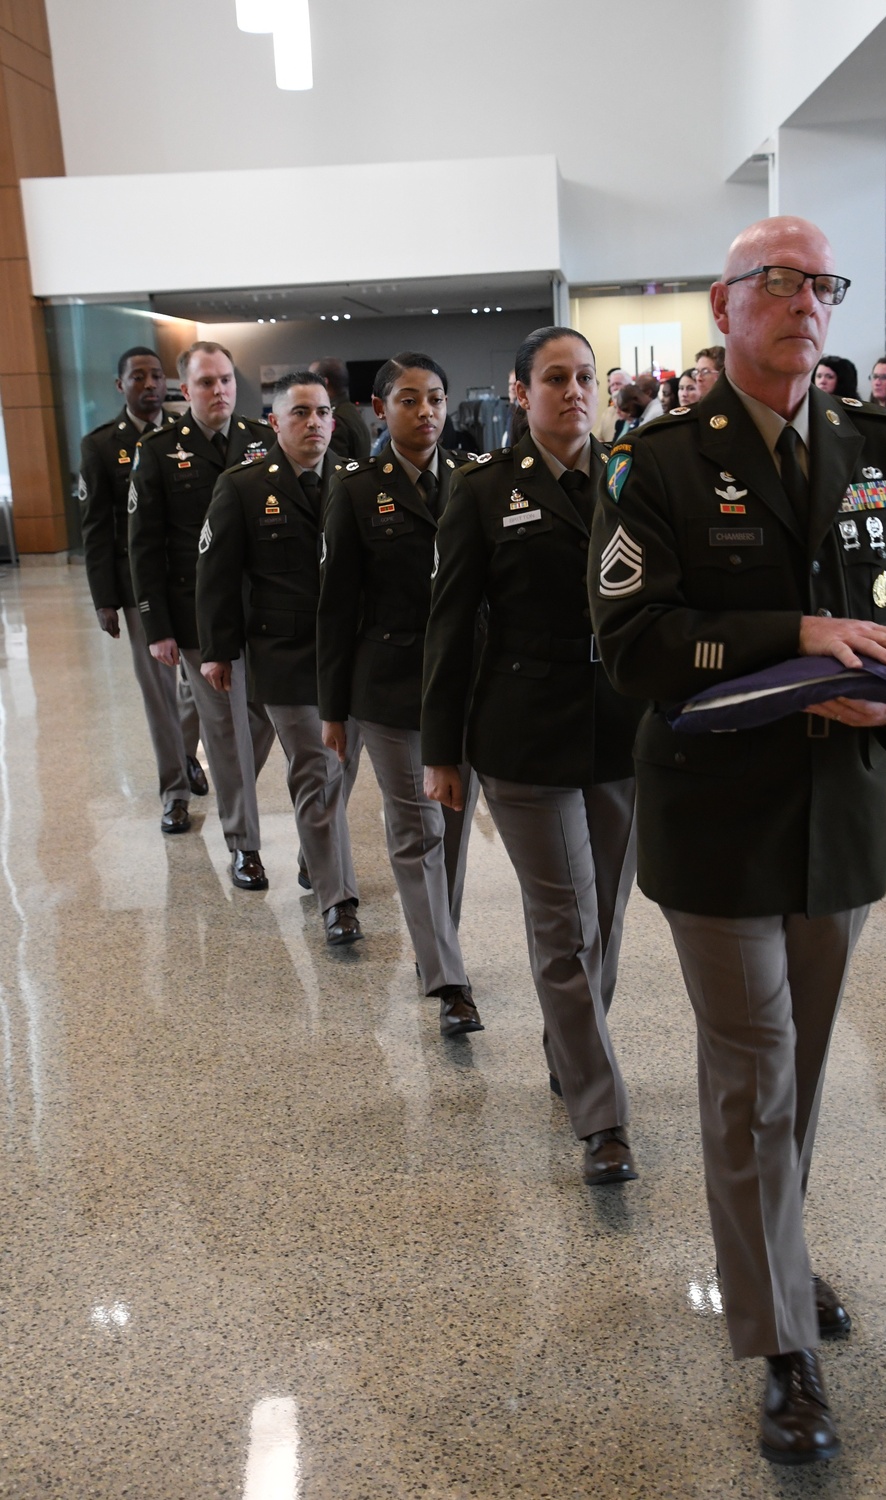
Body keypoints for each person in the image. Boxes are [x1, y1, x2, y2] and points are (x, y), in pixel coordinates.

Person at [589, 216, 886, 1465]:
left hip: (841, 816)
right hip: (715, 817)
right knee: (752, 1068)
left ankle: (780, 1258)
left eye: (823, 284)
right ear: (723, 304)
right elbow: (634, 643)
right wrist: (797, 637)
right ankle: (779, 1344)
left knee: (797, 1071)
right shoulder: (657, 461)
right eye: (779, 280)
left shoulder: (879, 450)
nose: (806, 301)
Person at [422, 325, 643, 1187]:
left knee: (607, 922)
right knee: (563, 925)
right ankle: (603, 1115)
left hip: (620, 728)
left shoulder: (634, 476)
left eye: (586, 377)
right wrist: (442, 749)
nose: (574, 392)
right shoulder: (482, 491)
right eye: (555, 378)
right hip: (521, 734)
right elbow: (450, 622)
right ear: (521, 392)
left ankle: (571, 1045)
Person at [317, 353, 477, 1017]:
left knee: (455, 825)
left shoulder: (474, 480)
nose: (427, 412)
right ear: (380, 409)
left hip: (467, 683)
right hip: (389, 687)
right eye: (409, 400)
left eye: (436, 398)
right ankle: (449, 982)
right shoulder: (356, 488)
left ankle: (437, 944)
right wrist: (334, 710)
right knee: (417, 832)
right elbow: (336, 605)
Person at [196, 371, 362, 943]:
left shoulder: (355, 480)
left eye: (321, 413)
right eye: (299, 413)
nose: (312, 423)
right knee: (317, 769)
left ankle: (316, 858)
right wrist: (218, 651)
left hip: (353, 657)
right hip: (284, 654)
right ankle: (339, 902)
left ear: (334, 421)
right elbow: (215, 575)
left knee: (340, 774)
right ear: (274, 422)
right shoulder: (242, 486)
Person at [129, 340, 276, 888]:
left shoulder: (261, 441)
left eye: (226, 381)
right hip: (197, 617)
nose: (219, 391)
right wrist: (157, 627)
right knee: (227, 728)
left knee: (258, 720)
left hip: (262, 610)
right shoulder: (160, 448)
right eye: (207, 383)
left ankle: (225, 781)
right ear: (185, 390)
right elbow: (142, 545)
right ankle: (245, 845)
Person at [79, 347, 208, 832]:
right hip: (139, 589)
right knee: (158, 693)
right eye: (138, 377)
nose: (150, 384)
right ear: (121, 386)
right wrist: (105, 598)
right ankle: (174, 790)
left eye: (157, 376)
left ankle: (186, 753)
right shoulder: (100, 446)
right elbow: (95, 528)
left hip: (192, 582)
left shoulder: (185, 434)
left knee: (197, 687)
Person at [309, 357, 370, 462]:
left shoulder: (333, 419)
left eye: (311, 381)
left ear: (324, 382)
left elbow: (333, 469)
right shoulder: (350, 411)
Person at [593, 367, 632, 444]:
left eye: (618, 384)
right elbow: (599, 438)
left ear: (629, 386)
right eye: (612, 385)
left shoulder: (634, 412)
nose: (615, 388)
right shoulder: (607, 412)